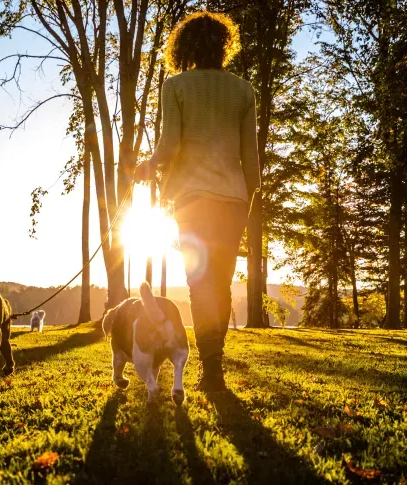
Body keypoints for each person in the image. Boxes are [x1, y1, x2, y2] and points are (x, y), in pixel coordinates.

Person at [134, 11, 261, 392]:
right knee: (219, 284)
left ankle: (213, 368)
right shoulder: (243, 90)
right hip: (234, 199)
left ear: (184, 47)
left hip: (192, 199)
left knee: (199, 282)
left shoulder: (176, 87)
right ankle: (213, 367)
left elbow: (170, 146)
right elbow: (250, 159)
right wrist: (249, 199)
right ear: (225, 46)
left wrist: (148, 165)